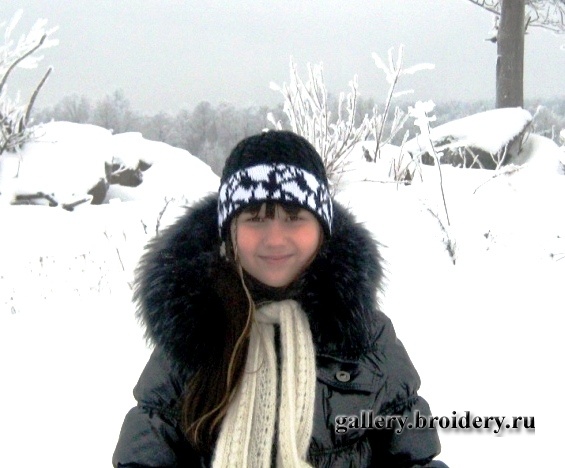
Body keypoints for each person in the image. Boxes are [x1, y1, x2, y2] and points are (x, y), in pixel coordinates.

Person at [113, 130, 446, 467]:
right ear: (230, 231)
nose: (274, 239)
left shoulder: (366, 338)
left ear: (322, 228)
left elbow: (413, 456)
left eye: (294, 217)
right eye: (255, 218)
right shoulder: (192, 335)